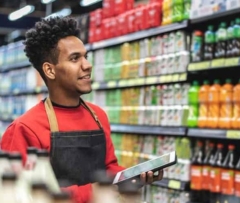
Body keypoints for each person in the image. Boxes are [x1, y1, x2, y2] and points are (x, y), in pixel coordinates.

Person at [0, 16, 163, 203]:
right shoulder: (24, 128)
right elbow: (22, 195)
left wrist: (132, 177)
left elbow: (109, 168)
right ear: (50, 70)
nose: (87, 65)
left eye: (86, 56)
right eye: (75, 58)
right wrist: (95, 190)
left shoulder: (98, 116)